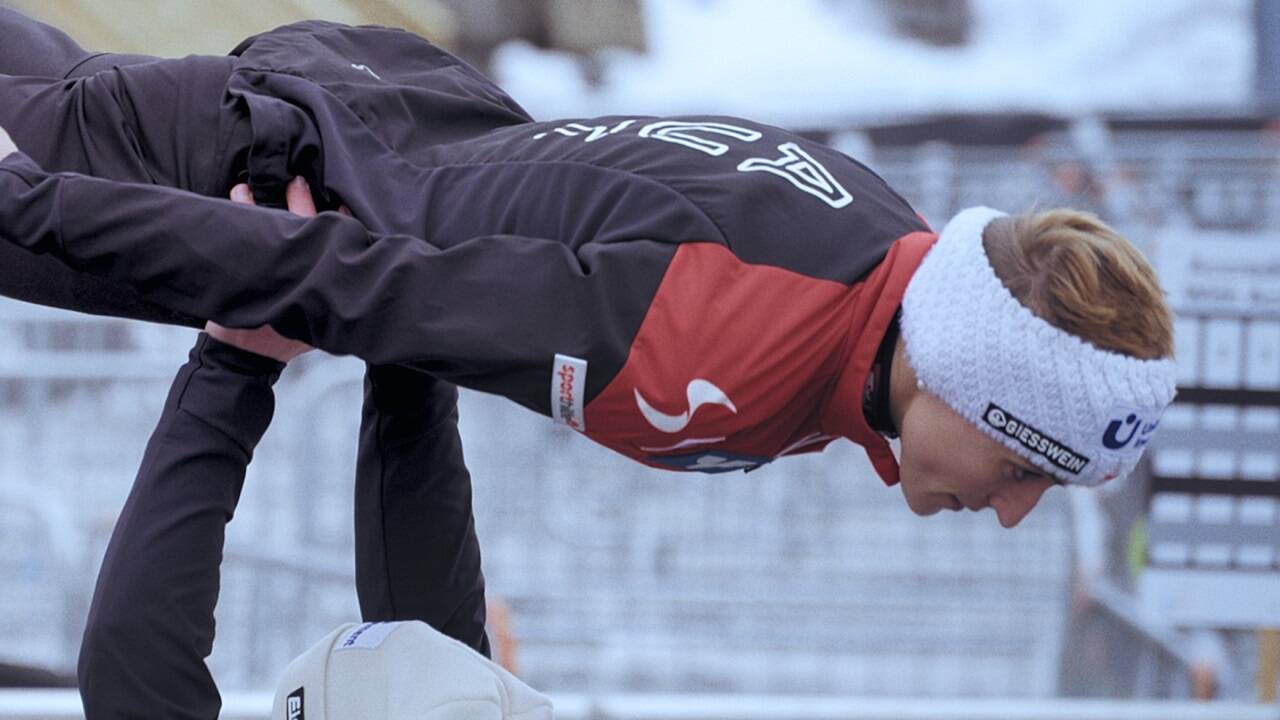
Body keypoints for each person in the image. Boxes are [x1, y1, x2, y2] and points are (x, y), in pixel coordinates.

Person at [0, 6, 1177, 713]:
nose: (1017, 514)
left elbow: (413, 321)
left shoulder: (882, 260)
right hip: (265, 167)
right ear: (967, 382)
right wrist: (25, 203)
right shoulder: (729, 338)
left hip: (382, 120)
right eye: (1026, 466)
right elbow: (353, 284)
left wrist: (438, 679)